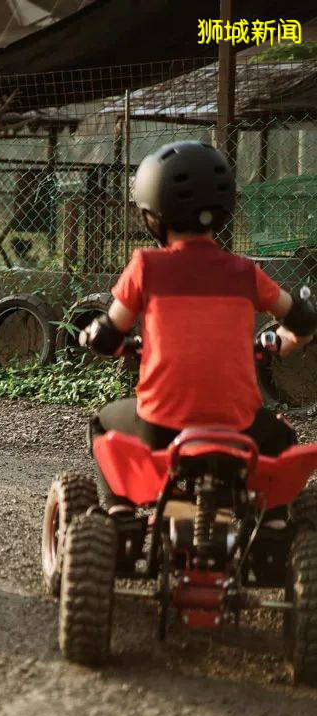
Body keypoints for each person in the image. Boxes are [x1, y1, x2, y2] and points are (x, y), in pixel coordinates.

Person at [81, 140, 316, 522]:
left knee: (103, 423)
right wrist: (290, 341)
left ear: (152, 214)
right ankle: (272, 524)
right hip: (239, 427)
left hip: (161, 426)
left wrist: (93, 336)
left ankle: (122, 512)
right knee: (282, 440)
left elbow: (110, 334)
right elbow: (302, 319)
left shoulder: (146, 267)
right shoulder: (244, 273)